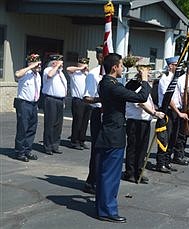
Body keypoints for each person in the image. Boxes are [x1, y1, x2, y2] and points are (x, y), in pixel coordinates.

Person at [94, 53, 151, 223]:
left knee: (106, 173)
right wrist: (146, 80)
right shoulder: (111, 85)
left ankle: (102, 207)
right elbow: (142, 97)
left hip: (110, 132)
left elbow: (125, 91)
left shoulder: (108, 83)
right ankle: (107, 211)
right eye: (120, 65)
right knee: (110, 175)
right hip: (114, 134)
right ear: (114, 67)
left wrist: (137, 79)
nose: (122, 68)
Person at [123, 65, 165, 184]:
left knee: (142, 148)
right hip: (135, 121)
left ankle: (139, 170)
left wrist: (154, 109)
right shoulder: (134, 85)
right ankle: (130, 172)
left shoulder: (144, 86)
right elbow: (140, 103)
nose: (150, 76)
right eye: (148, 73)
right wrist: (154, 112)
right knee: (134, 147)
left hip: (144, 121)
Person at [156, 56, 184, 173]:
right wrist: (178, 112)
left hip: (176, 111)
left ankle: (167, 162)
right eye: (176, 65)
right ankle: (160, 163)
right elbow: (169, 99)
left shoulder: (175, 78)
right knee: (164, 138)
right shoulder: (165, 79)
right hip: (168, 111)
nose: (178, 67)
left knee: (173, 137)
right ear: (170, 66)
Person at [82, 46, 104, 194]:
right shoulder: (93, 74)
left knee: (107, 150)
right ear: (99, 57)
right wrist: (102, 98)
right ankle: (92, 182)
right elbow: (87, 98)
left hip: (110, 114)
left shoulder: (113, 74)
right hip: (98, 111)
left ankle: (102, 180)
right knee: (97, 149)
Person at [13, 53, 42, 162]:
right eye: (37, 64)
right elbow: (17, 75)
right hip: (24, 103)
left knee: (32, 128)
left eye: (39, 64)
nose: (39, 66)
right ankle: (19, 152)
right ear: (31, 63)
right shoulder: (26, 73)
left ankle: (27, 150)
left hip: (34, 104)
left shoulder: (37, 75)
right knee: (23, 128)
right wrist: (30, 67)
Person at [171, 62, 189, 165]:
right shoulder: (183, 79)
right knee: (181, 133)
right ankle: (178, 156)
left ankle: (181, 155)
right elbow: (183, 96)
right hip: (184, 108)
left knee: (186, 132)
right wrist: (188, 111)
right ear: (188, 68)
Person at [42, 54, 67, 155]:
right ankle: (48, 146)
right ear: (53, 62)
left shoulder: (61, 73)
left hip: (60, 100)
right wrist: (56, 67)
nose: (61, 64)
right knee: (50, 123)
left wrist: (63, 100)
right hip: (51, 99)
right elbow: (50, 75)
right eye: (59, 61)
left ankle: (55, 145)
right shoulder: (48, 70)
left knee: (58, 125)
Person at [67, 57, 91, 150]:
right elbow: (68, 69)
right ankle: (74, 141)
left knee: (85, 122)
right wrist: (80, 68)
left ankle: (82, 140)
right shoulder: (74, 73)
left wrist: (86, 71)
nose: (84, 66)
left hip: (87, 100)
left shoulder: (88, 74)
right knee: (78, 121)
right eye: (82, 64)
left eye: (85, 64)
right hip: (78, 100)